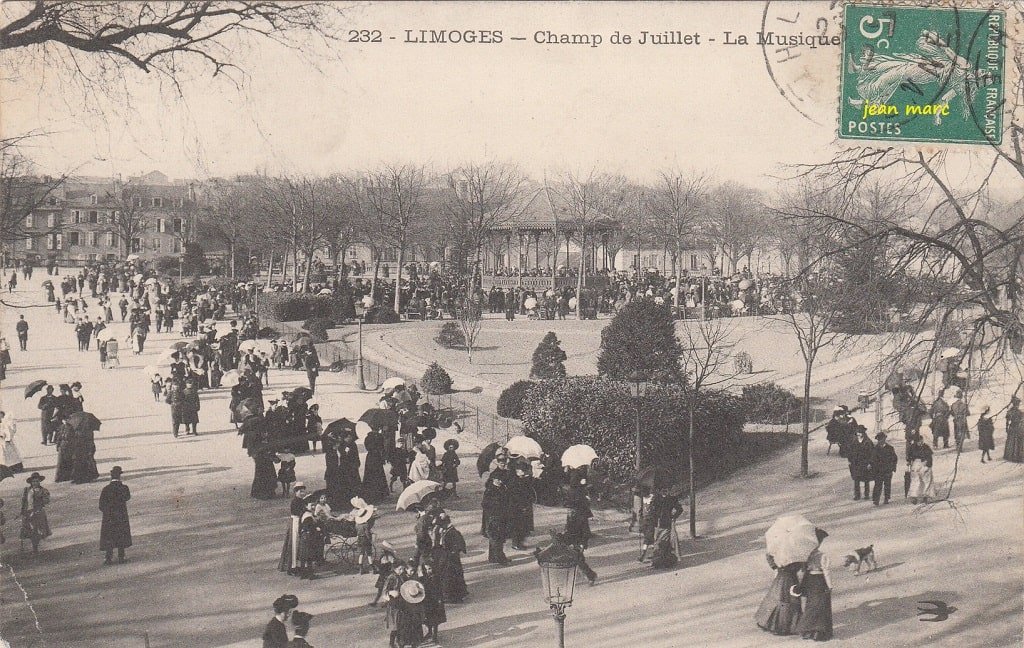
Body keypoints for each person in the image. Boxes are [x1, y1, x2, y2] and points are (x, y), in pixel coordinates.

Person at [795, 528, 833, 641]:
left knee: (811, 605)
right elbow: (826, 571)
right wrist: (830, 585)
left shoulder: (806, 555)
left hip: (809, 580)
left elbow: (802, 570)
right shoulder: (822, 556)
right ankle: (819, 632)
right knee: (821, 605)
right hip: (819, 580)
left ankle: (807, 630)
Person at [755, 552, 804, 635]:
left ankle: (772, 623)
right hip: (791, 578)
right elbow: (800, 567)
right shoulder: (797, 551)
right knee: (789, 600)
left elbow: (769, 555)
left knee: (780, 598)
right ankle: (787, 625)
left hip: (781, 577)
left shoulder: (780, 546)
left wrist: (775, 567)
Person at [564, 482, 597, 584]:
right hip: (573, 540)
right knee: (576, 559)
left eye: (570, 509)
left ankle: (590, 575)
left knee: (578, 559)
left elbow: (585, 531)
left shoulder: (580, 517)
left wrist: (583, 542)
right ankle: (587, 575)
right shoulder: (571, 516)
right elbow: (568, 529)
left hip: (579, 541)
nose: (568, 511)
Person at [99, 465, 132, 564]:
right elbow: (127, 497)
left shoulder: (105, 489)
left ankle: (108, 557)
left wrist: (107, 512)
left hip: (109, 517)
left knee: (109, 536)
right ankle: (121, 556)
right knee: (121, 534)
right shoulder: (124, 488)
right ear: (119, 476)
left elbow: (101, 505)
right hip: (121, 516)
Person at [432, 512, 468, 603]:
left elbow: (459, 546)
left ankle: (454, 597)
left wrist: (450, 552)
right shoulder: (445, 530)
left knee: (452, 577)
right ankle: (452, 595)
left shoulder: (453, 532)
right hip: (447, 558)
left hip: (451, 559)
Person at [280, 483, 308, 576]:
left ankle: (296, 565)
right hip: (295, 522)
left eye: (303, 491)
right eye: (300, 491)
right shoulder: (295, 501)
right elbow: (297, 512)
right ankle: (292, 567)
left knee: (297, 543)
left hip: (299, 521)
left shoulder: (301, 500)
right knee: (294, 543)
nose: (302, 493)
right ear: (296, 492)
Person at [482, 476, 511, 565]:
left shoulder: (502, 488)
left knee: (497, 537)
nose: (500, 481)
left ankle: (493, 557)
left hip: (501, 516)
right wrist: (496, 505)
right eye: (498, 479)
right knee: (496, 538)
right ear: (493, 479)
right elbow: (484, 504)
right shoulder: (490, 490)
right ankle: (500, 558)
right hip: (493, 518)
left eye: (501, 479)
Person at [20, 472, 51, 554]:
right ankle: (34, 546)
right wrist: (22, 511)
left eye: (37, 481)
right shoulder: (27, 490)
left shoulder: (43, 490)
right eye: (34, 481)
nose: (35, 483)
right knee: (28, 530)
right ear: (31, 482)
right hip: (28, 512)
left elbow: (46, 501)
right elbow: (24, 501)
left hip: (38, 512)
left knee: (36, 530)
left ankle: (35, 547)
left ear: (39, 482)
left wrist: (41, 499)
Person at [907, 435, 935, 504]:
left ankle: (926, 496)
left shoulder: (926, 447)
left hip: (924, 463)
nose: (920, 442)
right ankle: (914, 496)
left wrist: (928, 465)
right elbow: (909, 457)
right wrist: (909, 462)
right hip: (915, 464)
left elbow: (929, 457)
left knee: (927, 480)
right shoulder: (912, 447)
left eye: (921, 440)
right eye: (919, 441)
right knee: (915, 480)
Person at [847, 426, 873, 501]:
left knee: (866, 479)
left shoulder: (868, 442)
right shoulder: (854, 441)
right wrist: (849, 460)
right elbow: (850, 452)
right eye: (857, 432)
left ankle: (866, 494)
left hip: (865, 463)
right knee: (856, 479)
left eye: (860, 432)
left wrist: (870, 463)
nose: (858, 434)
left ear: (863, 433)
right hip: (856, 463)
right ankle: (857, 495)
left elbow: (872, 454)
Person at [871, 432, 898, 506]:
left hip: (887, 470)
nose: (880, 441)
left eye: (882, 439)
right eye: (879, 439)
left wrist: (892, 467)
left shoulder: (890, 448)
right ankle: (876, 500)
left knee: (887, 485)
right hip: (878, 471)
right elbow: (872, 459)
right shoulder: (875, 449)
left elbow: (894, 458)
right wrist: (873, 468)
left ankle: (886, 498)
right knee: (877, 485)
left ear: (885, 439)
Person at [1004, 396, 1023, 462]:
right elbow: (1007, 420)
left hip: (1018, 428)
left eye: (1018, 404)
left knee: (1017, 442)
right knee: (1012, 441)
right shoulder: (1010, 412)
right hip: (1013, 428)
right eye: (1017, 404)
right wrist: (1006, 428)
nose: (1017, 406)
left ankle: (1017, 455)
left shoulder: (1019, 412)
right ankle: (1012, 456)